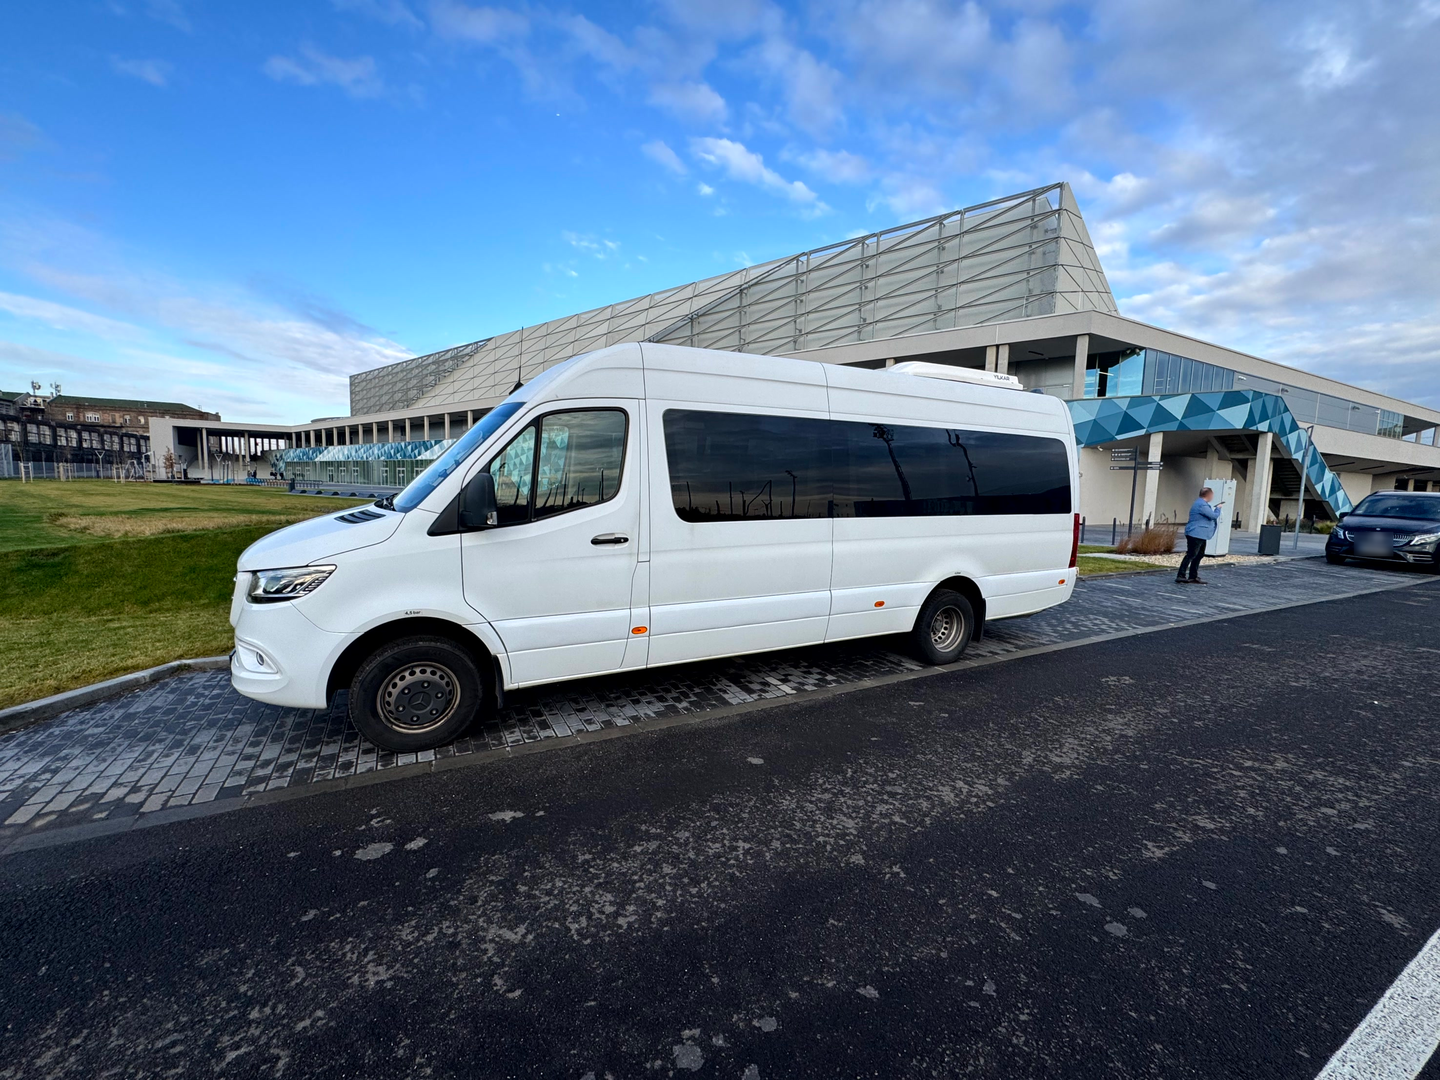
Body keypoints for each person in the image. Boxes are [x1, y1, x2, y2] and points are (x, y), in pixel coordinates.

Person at [1177, 487, 1223, 584]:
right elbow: (1213, 516)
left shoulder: (1200, 503)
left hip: (1200, 534)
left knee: (1199, 555)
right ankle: (1181, 575)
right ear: (1209, 495)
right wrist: (1218, 508)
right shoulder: (1201, 505)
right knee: (1191, 554)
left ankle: (1193, 576)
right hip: (1196, 533)